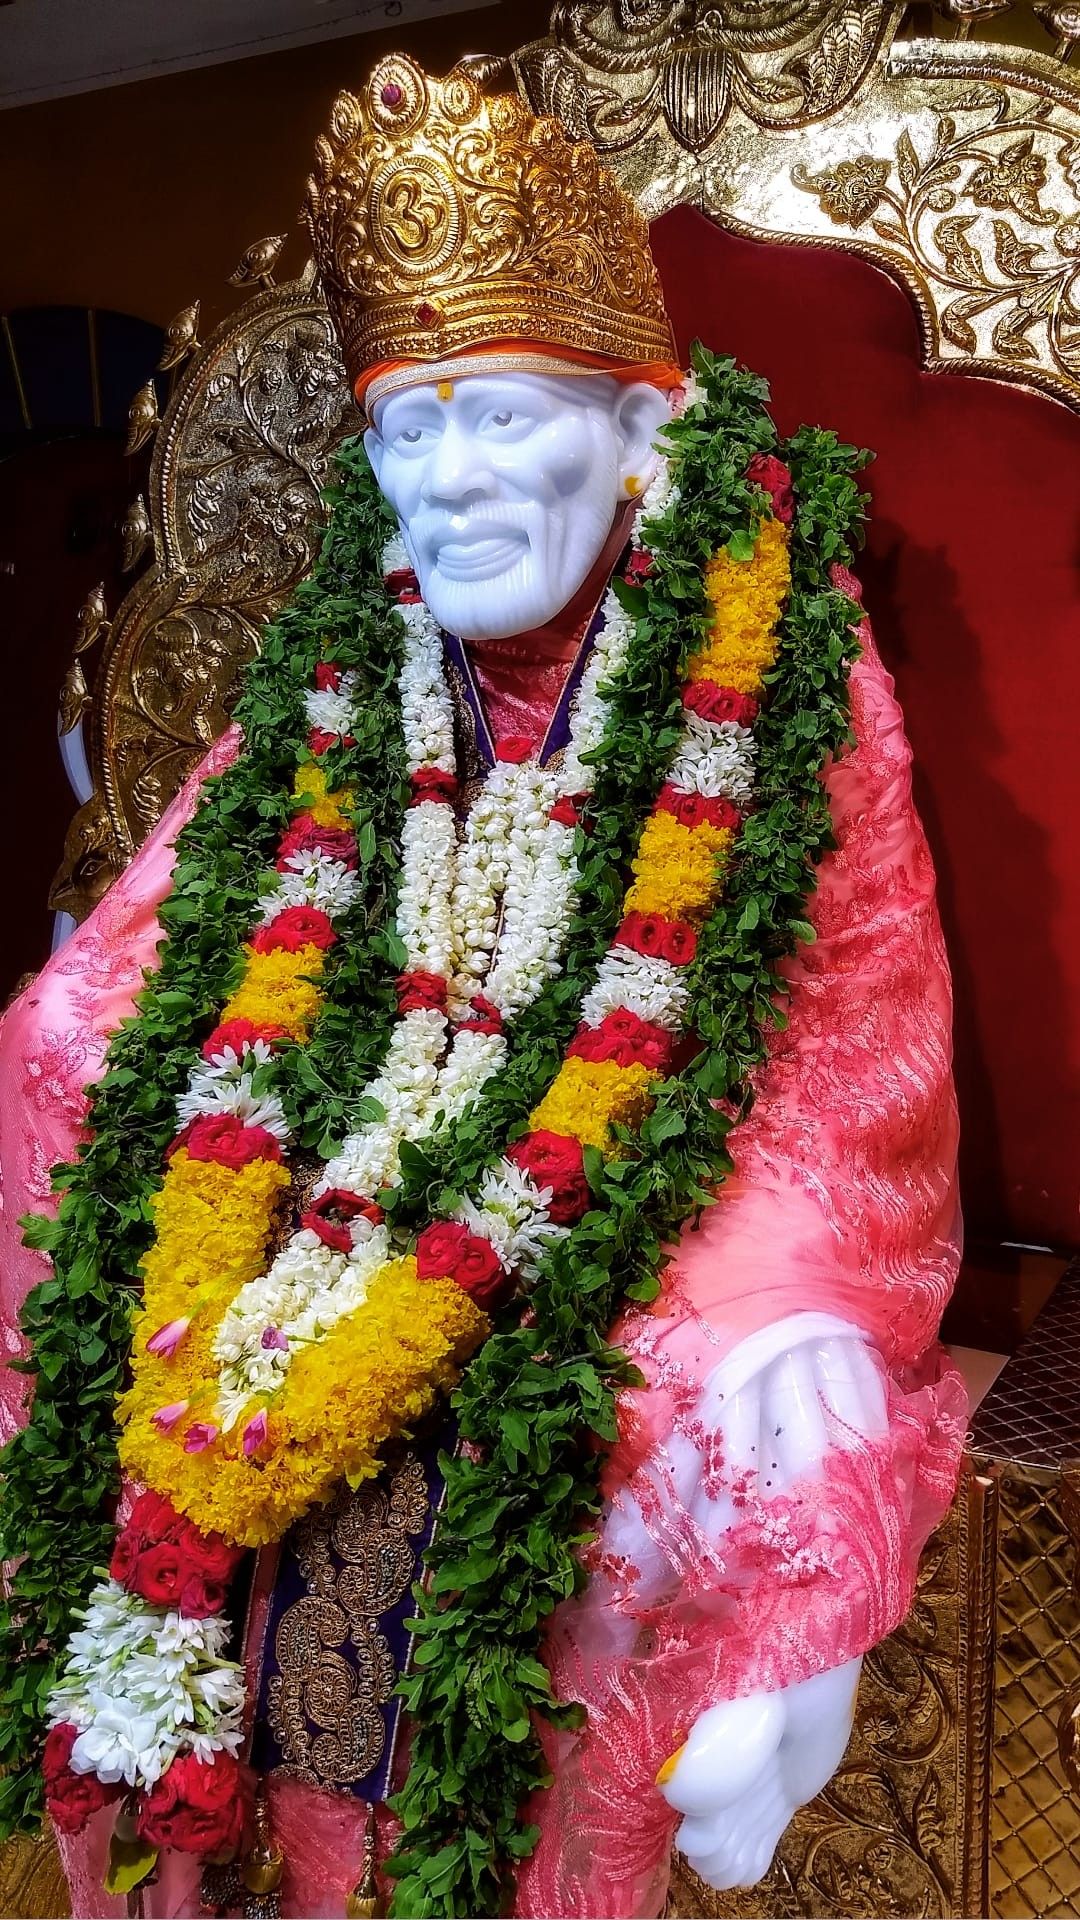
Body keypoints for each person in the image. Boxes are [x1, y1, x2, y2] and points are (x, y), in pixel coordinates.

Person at [0, 53, 965, 1920]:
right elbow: (132, 970)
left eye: (501, 417)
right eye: (403, 428)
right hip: (312, 1178)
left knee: (683, 1415)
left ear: (634, 429)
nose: (447, 487)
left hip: (622, 1206)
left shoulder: (780, 678)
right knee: (148, 1269)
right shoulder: (343, 673)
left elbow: (846, 1054)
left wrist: (787, 1322)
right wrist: (114, 1109)